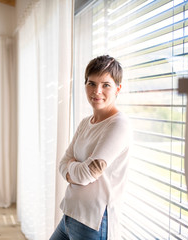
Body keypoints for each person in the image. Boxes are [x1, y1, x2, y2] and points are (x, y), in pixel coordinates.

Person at [50, 55, 132, 240]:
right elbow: (62, 163)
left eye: (106, 85)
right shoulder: (85, 123)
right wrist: (74, 167)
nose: (97, 91)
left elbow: (88, 174)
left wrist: (72, 167)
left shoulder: (119, 125)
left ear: (118, 88)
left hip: (94, 222)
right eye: (91, 83)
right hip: (70, 215)